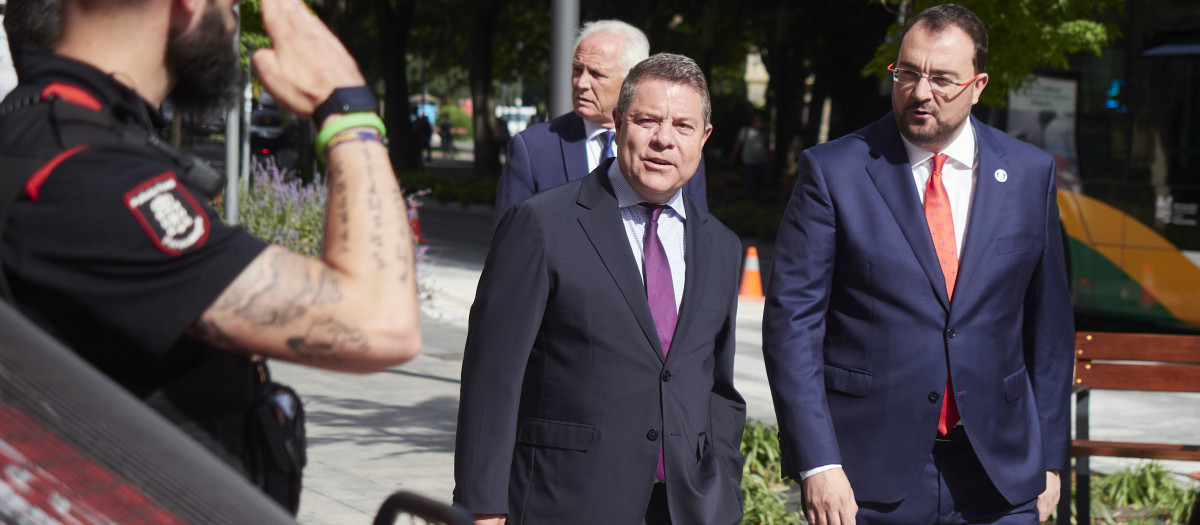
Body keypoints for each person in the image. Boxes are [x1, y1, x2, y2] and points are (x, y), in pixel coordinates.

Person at [0, 0, 421, 512]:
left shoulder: (37, 136)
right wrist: (348, 111)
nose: (232, 16)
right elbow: (380, 321)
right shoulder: (86, 177)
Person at [762, 4, 1073, 524]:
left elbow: (1051, 329)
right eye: (908, 73)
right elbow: (792, 324)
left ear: (979, 85)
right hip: (867, 475)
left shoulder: (1028, 173)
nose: (920, 91)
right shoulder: (834, 171)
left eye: (943, 79)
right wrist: (817, 461)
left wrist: (1048, 461)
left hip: (1001, 475)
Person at [454, 53, 745, 525]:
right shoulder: (541, 224)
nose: (663, 140)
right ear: (618, 123)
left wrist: (723, 487)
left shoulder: (721, 246)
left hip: (686, 508)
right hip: (564, 501)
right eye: (647, 120)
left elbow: (718, 387)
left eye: (682, 126)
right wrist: (483, 506)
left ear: (704, 137)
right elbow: (492, 376)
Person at [492, 19, 708, 226]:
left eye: (597, 74)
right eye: (577, 70)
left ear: (631, 79)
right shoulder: (534, 147)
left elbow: (698, 235)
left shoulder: (676, 149)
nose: (581, 82)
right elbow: (510, 242)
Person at [729, 113, 768, 199]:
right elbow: (738, 144)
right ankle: (750, 199)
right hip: (748, 160)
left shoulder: (763, 132)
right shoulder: (745, 131)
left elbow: (766, 145)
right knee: (750, 180)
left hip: (760, 160)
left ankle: (757, 199)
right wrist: (733, 157)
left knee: (759, 181)